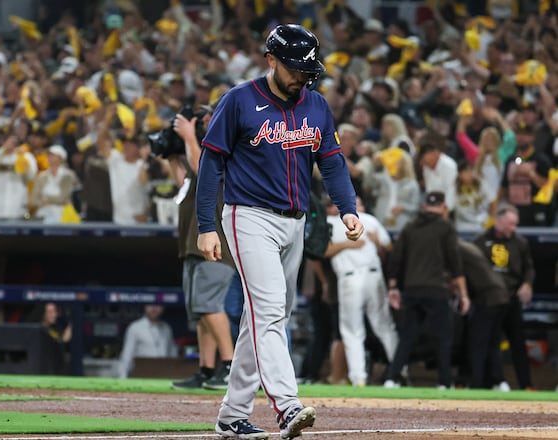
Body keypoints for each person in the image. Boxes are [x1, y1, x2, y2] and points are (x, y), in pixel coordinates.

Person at [196, 24, 363, 439]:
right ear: (270, 59)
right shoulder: (239, 101)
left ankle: (232, 415)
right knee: (269, 313)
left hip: (297, 221)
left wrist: (347, 208)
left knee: (267, 319)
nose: (302, 76)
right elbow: (211, 163)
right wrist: (205, 226)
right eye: (295, 68)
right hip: (248, 216)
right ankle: (288, 406)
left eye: (307, 69)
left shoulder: (317, 105)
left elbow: (332, 163)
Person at [168, 109, 238, 391]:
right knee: (200, 311)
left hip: (217, 243)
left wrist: (188, 137)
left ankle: (231, 366)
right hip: (193, 244)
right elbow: (184, 183)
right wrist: (172, 152)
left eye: (209, 118)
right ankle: (207, 370)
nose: (205, 123)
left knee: (209, 305)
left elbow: (202, 168)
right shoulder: (200, 150)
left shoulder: (227, 147)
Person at [384, 191, 470, 389]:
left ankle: (392, 378)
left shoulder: (410, 226)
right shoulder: (445, 226)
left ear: (424, 206)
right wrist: (463, 294)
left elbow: (396, 259)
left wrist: (393, 287)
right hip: (436, 289)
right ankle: (444, 381)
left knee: (407, 336)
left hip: (412, 289)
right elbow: (455, 262)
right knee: (443, 336)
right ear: (442, 206)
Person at [325, 197, 398, 387]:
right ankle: (399, 372)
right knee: (383, 325)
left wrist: (376, 244)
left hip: (353, 280)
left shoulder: (333, 222)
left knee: (353, 331)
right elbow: (388, 246)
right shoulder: (368, 219)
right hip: (373, 277)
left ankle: (359, 378)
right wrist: (358, 243)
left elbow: (321, 250)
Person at [472, 204, 535, 390]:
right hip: (489, 300)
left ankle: (526, 385)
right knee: (488, 342)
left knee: (518, 343)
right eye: (510, 224)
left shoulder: (520, 243)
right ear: (498, 221)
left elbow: (529, 268)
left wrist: (527, 284)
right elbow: (473, 270)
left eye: (515, 225)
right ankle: (490, 382)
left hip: (512, 298)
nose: (513, 228)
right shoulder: (480, 241)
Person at [456, 240, 510, 390]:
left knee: (477, 343)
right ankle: (498, 381)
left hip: (488, 298)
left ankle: (476, 383)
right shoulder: (469, 247)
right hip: (501, 296)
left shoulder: (456, 248)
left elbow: (457, 275)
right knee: (492, 343)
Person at [116, 305, 178, 379]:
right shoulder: (135, 327)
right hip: (141, 375)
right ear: (145, 306)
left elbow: (172, 354)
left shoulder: (166, 328)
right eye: (150, 304)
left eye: (158, 305)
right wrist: (122, 378)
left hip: (163, 376)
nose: (154, 308)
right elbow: (127, 356)